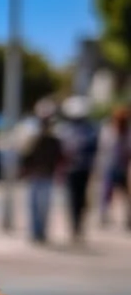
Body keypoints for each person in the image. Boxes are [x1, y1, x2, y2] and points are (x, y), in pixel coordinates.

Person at [57, 96, 98, 243]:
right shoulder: (64, 130)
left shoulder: (90, 130)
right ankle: (74, 227)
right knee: (73, 199)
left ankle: (79, 225)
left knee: (82, 199)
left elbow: (94, 150)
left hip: (84, 169)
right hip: (71, 170)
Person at [21, 111, 64, 243]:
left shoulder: (54, 141)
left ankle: (41, 232)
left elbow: (59, 158)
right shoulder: (33, 139)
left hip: (47, 177)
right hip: (36, 176)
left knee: (43, 207)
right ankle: (35, 232)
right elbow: (26, 157)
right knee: (34, 206)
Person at [95, 106, 131, 229]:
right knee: (106, 193)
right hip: (109, 166)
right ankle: (103, 215)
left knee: (127, 195)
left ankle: (128, 218)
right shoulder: (108, 131)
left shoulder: (128, 133)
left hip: (124, 167)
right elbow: (103, 149)